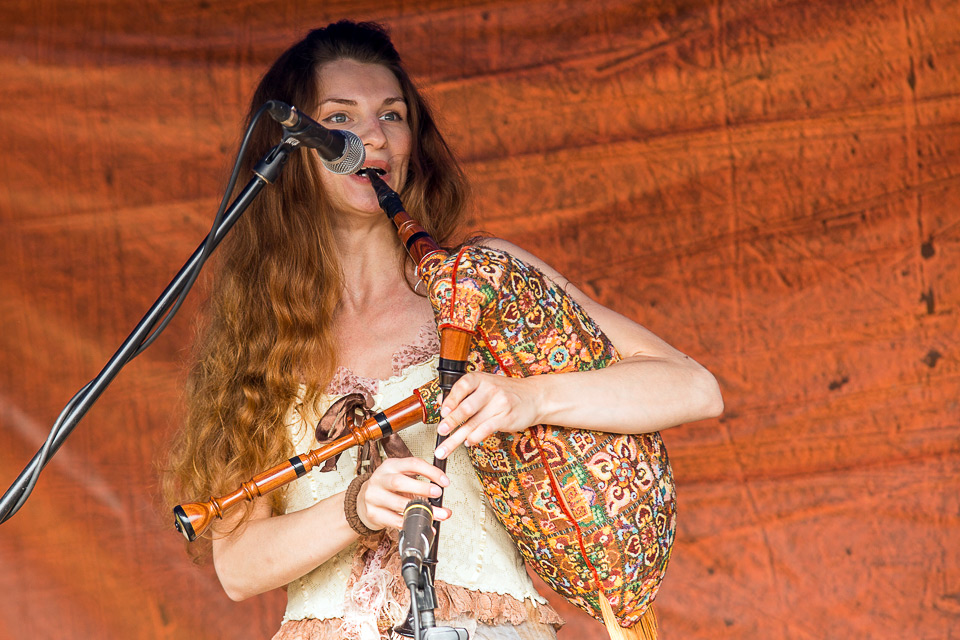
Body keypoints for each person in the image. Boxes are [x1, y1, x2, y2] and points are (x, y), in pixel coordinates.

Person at [163, 20, 723, 640]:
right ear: (293, 147)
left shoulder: (480, 280)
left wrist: (530, 397)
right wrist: (356, 508)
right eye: (340, 119)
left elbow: (693, 387)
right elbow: (238, 568)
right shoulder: (257, 334)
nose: (374, 137)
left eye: (393, 115)